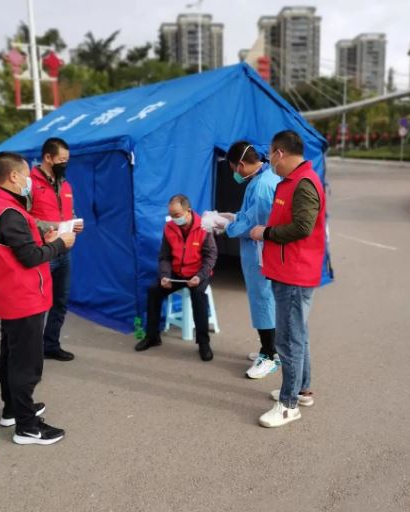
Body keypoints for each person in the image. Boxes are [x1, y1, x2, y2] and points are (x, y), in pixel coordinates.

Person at [0, 151, 76, 445]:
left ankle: (13, 409)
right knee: (26, 364)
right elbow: (30, 257)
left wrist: (44, 240)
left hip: (8, 294)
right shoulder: (9, 212)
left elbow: (17, 247)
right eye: (26, 175)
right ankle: (27, 426)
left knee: (11, 354)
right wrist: (60, 243)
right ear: (13, 176)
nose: (29, 180)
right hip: (23, 297)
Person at [250, 130, 326, 428]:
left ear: (279, 153)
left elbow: (304, 227)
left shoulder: (303, 183)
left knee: (289, 340)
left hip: (295, 273)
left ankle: (288, 404)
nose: (269, 161)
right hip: (288, 270)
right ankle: (301, 390)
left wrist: (265, 233)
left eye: (270, 154)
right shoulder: (292, 181)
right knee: (298, 334)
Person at [218, 141, 279, 379]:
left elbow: (255, 224)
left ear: (241, 164)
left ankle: (269, 355)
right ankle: (271, 348)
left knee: (262, 301)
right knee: (267, 300)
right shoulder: (266, 176)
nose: (234, 173)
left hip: (260, 253)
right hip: (264, 252)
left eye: (234, 168)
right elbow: (251, 214)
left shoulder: (262, 185)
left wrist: (227, 227)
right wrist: (234, 217)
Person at [135, 194, 217, 361]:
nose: (174, 218)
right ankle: (152, 336)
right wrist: (165, 276)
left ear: (188, 211)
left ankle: (203, 343)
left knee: (198, 296)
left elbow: (210, 257)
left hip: (197, 273)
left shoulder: (204, 227)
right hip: (176, 273)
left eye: (177, 215)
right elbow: (164, 257)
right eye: (171, 215)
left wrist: (199, 276)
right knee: (153, 290)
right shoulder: (169, 227)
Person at [30, 137, 83, 362]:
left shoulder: (66, 185)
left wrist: (74, 223)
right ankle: (32, 351)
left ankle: (51, 345)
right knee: (38, 303)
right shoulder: (30, 184)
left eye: (67, 160)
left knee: (61, 300)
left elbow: (69, 213)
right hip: (44, 252)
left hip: (64, 252)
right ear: (47, 157)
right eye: (61, 160)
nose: (65, 163)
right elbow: (26, 219)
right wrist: (56, 227)